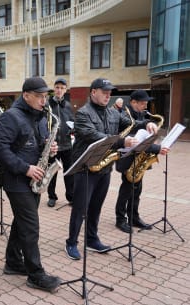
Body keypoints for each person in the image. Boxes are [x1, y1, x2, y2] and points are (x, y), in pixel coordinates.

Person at [64, 78, 158, 260]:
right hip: (86, 167)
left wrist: (146, 123)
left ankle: (91, 239)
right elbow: (95, 136)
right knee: (80, 208)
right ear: (93, 92)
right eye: (104, 91)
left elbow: (130, 123)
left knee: (96, 207)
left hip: (105, 167)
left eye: (110, 92)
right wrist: (122, 141)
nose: (108, 95)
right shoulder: (83, 113)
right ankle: (71, 242)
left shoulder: (113, 113)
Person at [0, 77, 61, 293]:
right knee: (31, 226)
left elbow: (37, 142)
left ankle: (13, 262)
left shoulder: (40, 116)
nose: (44, 101)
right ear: (26, 96)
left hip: (35, 179)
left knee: (22, 222)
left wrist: (49, 148)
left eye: (45, 96)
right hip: (16, 180)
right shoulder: (12, 117)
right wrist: (26, 168)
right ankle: (35, 274)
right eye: (40, 96)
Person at [114, 90, 169, 233]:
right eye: (143, 103)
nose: (145, 106)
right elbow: (135, 141)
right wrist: (157, 148)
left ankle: (134, 217)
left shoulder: (143, 114)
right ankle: (120, 219)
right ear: (133, 102)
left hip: (139, 158)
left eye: (146, 103)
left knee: (137, 189)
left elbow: (145, 133)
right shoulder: (124, 115)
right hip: (127, 157)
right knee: (126, 189)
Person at [46, 78, 74, 208]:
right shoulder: (47, 104)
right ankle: (52, 196)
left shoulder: (68, 105)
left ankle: (71, 196)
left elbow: (72, 120)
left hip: (67, 145)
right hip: (53, 146)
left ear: (65, 90)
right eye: (57, 87)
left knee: (69, 173)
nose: (59, 90)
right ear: (54, 88)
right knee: (52, 172)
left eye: (62, 88)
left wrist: (73, 129)